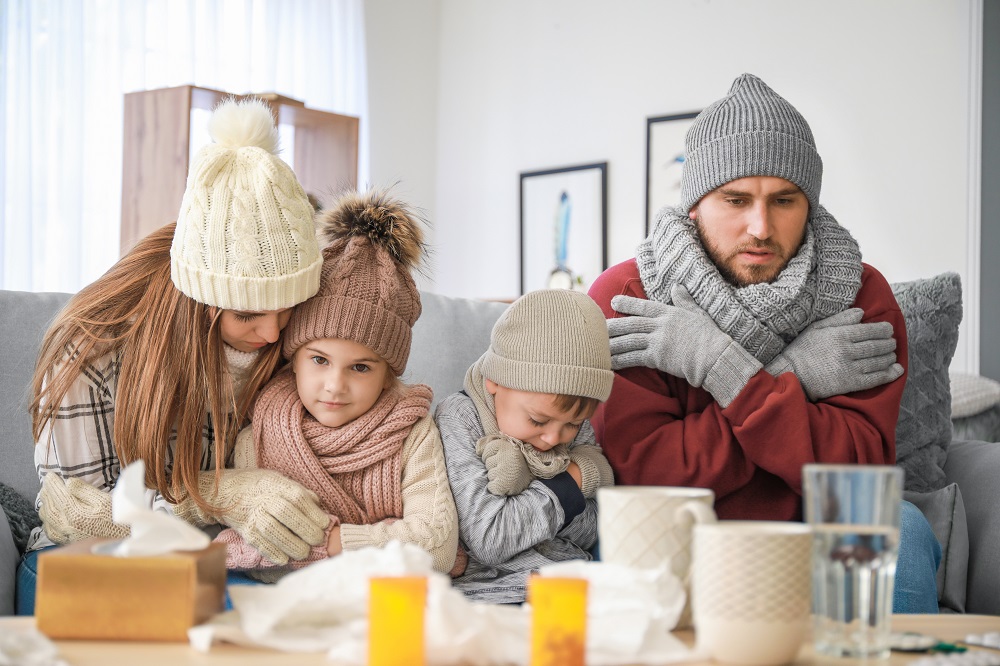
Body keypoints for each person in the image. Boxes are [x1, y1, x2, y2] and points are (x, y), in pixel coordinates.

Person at [588, 73, 942, 613]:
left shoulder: (859, 295)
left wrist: (726, 370)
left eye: (784, 200)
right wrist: (795, 375)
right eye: (736, 200)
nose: (760, 227)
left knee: (900, 528)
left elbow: (858, 472)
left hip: (813, 530)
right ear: (696, 205)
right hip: (681, 538)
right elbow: (645, 476)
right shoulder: (629, 297)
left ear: (810, 204)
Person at [18, 98, 329, 613]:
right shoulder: (94, 348)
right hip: (83, 563)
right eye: (247, 313)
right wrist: (224, 493)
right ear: (198, 299)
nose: (273, 332)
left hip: (216, 559)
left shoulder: (296, 341)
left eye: (288, 307)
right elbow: (79, 521)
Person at [213, 189, 460, 580]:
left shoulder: (412, 431)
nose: (334, 385)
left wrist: (327, 541)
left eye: (360, 368)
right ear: (292, 358)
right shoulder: (259, 429)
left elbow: (437, 546)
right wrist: (387, 543)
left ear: (388, 373)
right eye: (319, 360)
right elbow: (256, 550)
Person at [436, 289, 615, 604]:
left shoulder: (571, 420)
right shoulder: (460, 418)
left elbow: (594, 529)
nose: (553, 439)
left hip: (575, 583)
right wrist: (571, 480)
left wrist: (526, 497)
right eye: (537, 420)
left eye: (573, 426)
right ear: (495, 381)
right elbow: (489, 538)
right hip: (494, 596)